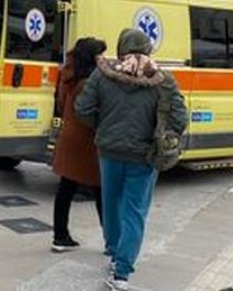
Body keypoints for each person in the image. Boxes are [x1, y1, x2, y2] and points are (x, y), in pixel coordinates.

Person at [75, 29, 187, 290]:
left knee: (111, 202)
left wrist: (103, 127)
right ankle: (122, 274)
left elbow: (82, 109)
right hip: (144, 156)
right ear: (148, 49)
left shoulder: (102, 75)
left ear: (120, 49)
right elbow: (180, 119)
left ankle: (114, 252)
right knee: (134, 212)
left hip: (108, 151)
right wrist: (164, 135)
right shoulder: (163, 80)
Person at [51, 37, 107, 253]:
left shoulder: (68, 76)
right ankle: (110, 239)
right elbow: (92, 113)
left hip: (69, 137)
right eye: (99, 54)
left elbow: (62, 105)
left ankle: (60, 236)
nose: (102, 58)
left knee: (65, 189)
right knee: (101, 190)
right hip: (86, 141)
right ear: (91, 57)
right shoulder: (89, 83)